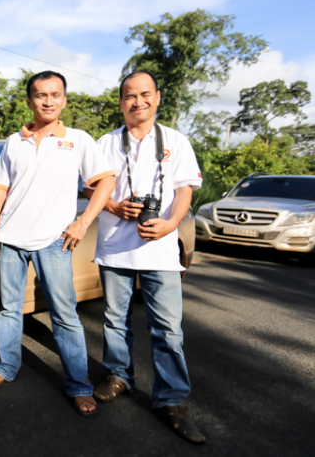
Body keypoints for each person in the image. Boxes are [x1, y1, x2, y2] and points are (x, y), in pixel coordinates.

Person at [0, 70, 115, 418]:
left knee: (64, 316)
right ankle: (6, 366)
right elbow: (2, 190)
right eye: (41, 95)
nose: (48, 101)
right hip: (10, 240)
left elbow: (106, 182)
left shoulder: (79, 139)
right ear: (30, 101)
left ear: (64, 99)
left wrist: (83, 223)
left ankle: (79, 385)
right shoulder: (14, 141)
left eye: (55, 94)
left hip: (54, 241)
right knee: (8, 310)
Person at [86, 71, 206, 443]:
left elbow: (185, 188)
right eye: (128, 96)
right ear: (120, 102)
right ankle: (119, 376)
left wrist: (171, 223)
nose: (137, 102)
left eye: (144, 94)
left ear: (157, 97)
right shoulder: (105, 143)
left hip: (161, 251)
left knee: (167, 329)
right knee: (114, 321)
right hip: (114, 246)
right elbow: (91, 188)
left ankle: (171, 400)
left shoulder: (175, 141)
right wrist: (114, 205)